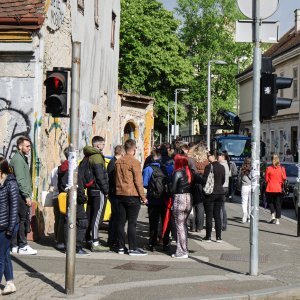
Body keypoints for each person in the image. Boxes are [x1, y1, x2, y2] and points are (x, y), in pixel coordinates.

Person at [115, 139, 148, 256]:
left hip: (119, 194)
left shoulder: (118, 162)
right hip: (132, 195)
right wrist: (143, 197)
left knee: (120, 222)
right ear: (134, 149)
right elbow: (138, 182)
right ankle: (133, 248)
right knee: (132, 223)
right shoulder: (135, 162)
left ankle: (120, 247)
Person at [57, 147, 89, 255]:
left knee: (69, 221)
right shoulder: (71, 168)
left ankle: (69, 246)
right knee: (81, 222)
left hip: (68, 197)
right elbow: (76, 184)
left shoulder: (63, 167)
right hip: (74, 198)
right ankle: (76, 246)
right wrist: (82, 197)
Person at [10, 136, 37, 255]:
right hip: (20, 194)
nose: (29, 148)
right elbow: (20, 180)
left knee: (17, 220)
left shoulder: (21, 158)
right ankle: (22, 245)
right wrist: (26, 195)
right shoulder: (18, 160)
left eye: (30, 146)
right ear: (20, 146)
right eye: (27, 146)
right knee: (22, 219)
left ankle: (15, 245)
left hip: (19, 193)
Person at [83, 136, 110, 252]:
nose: (103, 146)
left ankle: (88, 238)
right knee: (97, 216)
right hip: (99, 190)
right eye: (103, 144)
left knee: (91, 214)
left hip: (91, 189)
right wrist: (106, 190)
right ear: (98, 145)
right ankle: (95, 242)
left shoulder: (87, 155)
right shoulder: (97, 157)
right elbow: (100, 176)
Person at [143, 150, 169, 251]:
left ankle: (152, 244)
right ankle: (165, 243)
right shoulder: (165, 168)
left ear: (151, 158)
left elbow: (145, 184)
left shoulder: (148, 169)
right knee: (164, 221)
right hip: (164, 199)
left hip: (153, 199)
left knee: (153, 222)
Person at [0, 157, 19, 295]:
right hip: (1, 224)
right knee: (5, 254)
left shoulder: (10, 184)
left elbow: (14, 208)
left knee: (0, 256)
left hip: (8, 225)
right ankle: (10, 283)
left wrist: (10, 229)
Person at [170, 154, 192, 259]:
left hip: (179, 199)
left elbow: (173, 189)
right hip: (188, 199)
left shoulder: (177, 172)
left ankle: (182, 251)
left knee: (179, 227)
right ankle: (184, 249)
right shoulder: (188, 172)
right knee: (183, 226)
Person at [201, 150, 225, 242]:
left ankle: (208, 236)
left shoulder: (209, 166)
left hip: (211, 193)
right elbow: (223, 180)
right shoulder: (222, 167)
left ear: (213, 157)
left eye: (209, 155)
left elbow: (204, 180)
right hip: (220, 192)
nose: (207, 157)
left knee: (209, 215)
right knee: (217, 215)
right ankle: (218, 237)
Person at [107, 145, 125, 249]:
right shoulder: (114, 163)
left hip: (114, 193)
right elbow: (114, 180)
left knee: (115, 217)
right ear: (122, 153)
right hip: (115, 194)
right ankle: (113, 240)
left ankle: (112, 239)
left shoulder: (113, 162)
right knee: (116, 218)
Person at [188, 143, 209, 233]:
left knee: (192, 205)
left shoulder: (192, 161)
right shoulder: (207, 162)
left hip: (193, 183)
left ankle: (193, 226)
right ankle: (200, 227)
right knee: (200, 205)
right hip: (203, 184)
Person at [265, 154, 286, 225]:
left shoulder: (269, 168)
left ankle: (273, 215)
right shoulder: (282, 169)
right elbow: (284, 178)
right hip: (279, 189)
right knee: (278, 204)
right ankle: (277, 220)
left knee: (270, 203)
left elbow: (266, 180)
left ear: (272, 160)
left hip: (270, 188)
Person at [50, 160, 64, 250]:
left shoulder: (54, 170)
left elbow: (50, 183)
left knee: (57, 219)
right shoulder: (65, 170)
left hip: (55, 196)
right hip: (62, 197)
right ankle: (60, 240)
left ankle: (56, 238)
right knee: (62, 221)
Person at [217, 152, 230, 231]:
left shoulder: (222, 165)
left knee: (220, 207)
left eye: (218, 156)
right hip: (226, 186)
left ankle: (221, 224)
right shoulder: (226, 164)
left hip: (222, 187)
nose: (217, 157)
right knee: (222, 206)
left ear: (222, 157)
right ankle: (224, 224)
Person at [240, 157, 251, 223]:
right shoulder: (252, 169)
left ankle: (245, 213)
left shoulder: (242, 169)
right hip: (251, 186)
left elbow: (240, 177)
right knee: (250, 203)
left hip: (244, 186)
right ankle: (249, 217)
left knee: (244, 202)